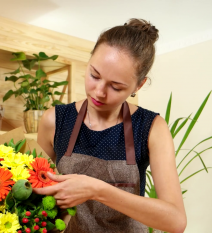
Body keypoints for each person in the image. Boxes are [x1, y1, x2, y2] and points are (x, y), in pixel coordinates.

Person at [35, 18, 187, 233]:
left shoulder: (151, 127)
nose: (99, 92)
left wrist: (97, 190)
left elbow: (175, 220)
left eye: (116, 86)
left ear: (138, 85)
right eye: (94, 75)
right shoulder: (55, 121)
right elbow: (34, 189)